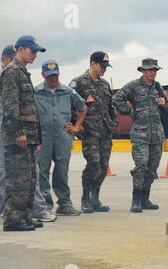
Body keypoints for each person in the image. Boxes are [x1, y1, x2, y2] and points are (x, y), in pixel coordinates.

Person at [0, 45, 56, 223]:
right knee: (17, 178)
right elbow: (10, 106)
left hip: (28, 136)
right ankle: (13, 220)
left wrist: (36, 137)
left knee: (30, 178)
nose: (35, 55)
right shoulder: (11, 72)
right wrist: (18, 132)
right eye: (33, 51)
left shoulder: (23, 72)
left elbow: (31, 109)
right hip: (17, 136)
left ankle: (25, 216)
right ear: (21, 49)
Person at [112, 58, 168, 213]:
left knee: (152, 168)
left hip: (156, 135)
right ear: (142, 71)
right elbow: (116, 99)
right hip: (140, 134)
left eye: (155, 70)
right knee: (141, 166)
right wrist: (130, 112)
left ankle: (145, 198)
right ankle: (136, 199)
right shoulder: (133, 86)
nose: (152, 72)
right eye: (149, 69)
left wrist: (164, 103)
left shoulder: (158, 87)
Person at [34, 60, 87, 216]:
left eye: (56, 75)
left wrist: (77, 126)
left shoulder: (68, 91)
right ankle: (45, 205)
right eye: (50, 76)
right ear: (43, 75)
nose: (53, 79)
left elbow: (83, 108)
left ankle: (64, 204)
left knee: (62, 170)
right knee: (42, 170)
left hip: (63, 137)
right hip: (42, 137)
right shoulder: (35, 92)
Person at [70, 52, 117, 213]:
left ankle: (95, 198)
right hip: (89, 132)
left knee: (103, 166)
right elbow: (70, 107)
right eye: (102, 66)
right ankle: (85, 198)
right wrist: (77, 127)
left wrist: (113, 122)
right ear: (92, 63)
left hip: (105, 131)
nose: (104, 70)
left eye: (106, 67)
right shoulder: (78, 83)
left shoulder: (104, 85)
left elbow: (110, 107)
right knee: (93, 164)